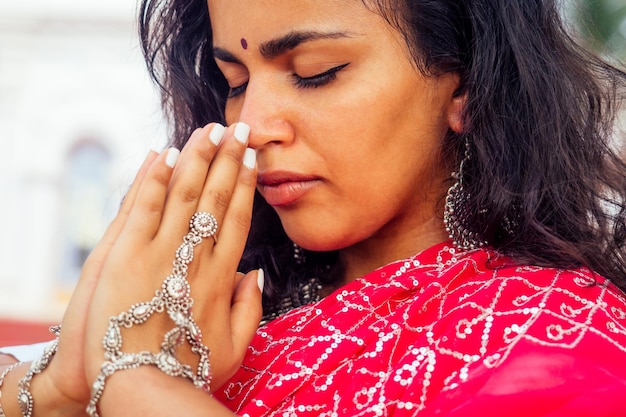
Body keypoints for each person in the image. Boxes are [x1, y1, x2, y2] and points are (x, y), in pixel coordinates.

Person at [1, 0, 626, 415]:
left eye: (316, 71)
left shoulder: (556, 337)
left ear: (463, 82)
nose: (251, 125)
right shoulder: (226, 317)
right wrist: (62, 386)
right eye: (235, 83)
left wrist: (140, 376)